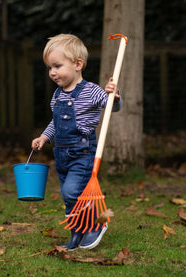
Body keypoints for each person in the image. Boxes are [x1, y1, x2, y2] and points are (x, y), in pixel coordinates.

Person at [31, 34, 122, 251]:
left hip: (83, 152)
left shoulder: (91, 91)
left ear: (77, 64)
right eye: (49, 67)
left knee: (72, 191)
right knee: (70, 196)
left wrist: (114, 96)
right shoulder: (57, 95)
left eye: (57, 66)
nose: (52, 72)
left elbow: (111, 108)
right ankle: (76, 233)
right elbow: (55, 123)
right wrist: (44, 137)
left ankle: (96, 226)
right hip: (61, 155)